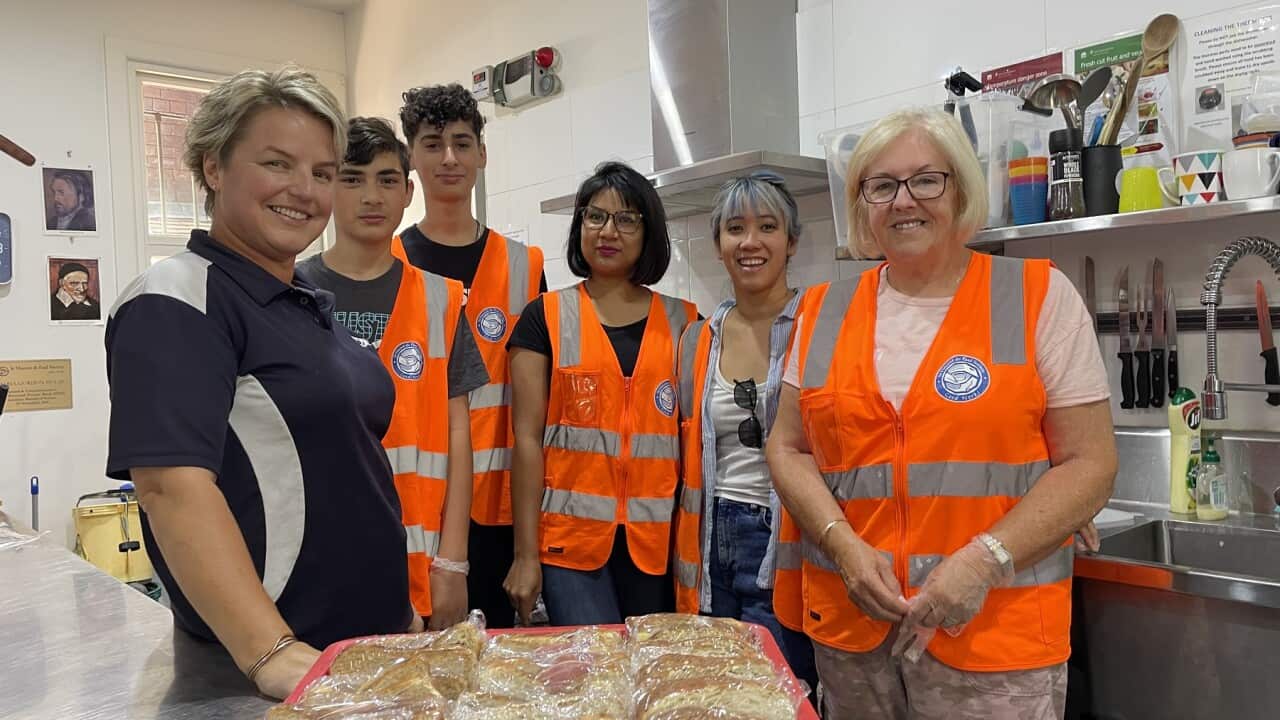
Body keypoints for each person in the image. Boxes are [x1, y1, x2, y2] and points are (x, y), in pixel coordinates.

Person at [765, 107, 1117, 720]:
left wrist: (985, 561)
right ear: (862, 205)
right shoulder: (822, 311)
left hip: (992, 638)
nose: (904, 201)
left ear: (960, 189)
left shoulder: (1036, 295)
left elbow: (1090, 464)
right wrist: (844, 548)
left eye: (926, 180)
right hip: (855, 635)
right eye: (881, 185)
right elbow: (787, 447)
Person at [105, 67, 415, 701]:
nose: (304, 190)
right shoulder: (177, 299)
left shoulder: (304, 302)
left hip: (367, 649)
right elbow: (170, 488)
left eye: (323, 173)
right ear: (213, 166)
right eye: (277, 163)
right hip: (274, 667)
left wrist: (398, 613)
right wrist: (270, 652)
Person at [296, 116, 489, 629]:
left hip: (419, 556)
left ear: (408, 192)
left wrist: (453, 560)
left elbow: (458, 433)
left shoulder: (441, 300)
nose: (371, 196)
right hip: (314, 555)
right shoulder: (291, 292)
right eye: (351, 179)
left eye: (386, 180)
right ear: (327, 187)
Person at [506, 161, 697, 626]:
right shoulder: (544, 317)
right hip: (569, 549)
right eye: (595, 216)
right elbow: (526, 441)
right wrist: (525, 555)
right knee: (591, 667)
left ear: (648, 233)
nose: (608, 231)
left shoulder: (686, 324)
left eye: (626, 219)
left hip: (658, 547)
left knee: (653, 668)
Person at [397, 84, 545, 629]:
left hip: (504, 511)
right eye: (432, 144)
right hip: (417, 508)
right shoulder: (388, 262)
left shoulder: (524, 265)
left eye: (462, 143)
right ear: (412, 157)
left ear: (482, 154)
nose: (449, 158)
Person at [672, 172, 816, 689]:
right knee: (713, 691)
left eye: (767, 227)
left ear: (791, 241)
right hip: (708, 543)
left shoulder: (821, 326)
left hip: (788, 542)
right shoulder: (696, 340)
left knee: (777, 690)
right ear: (718, 245)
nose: (750, 241)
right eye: (735, 228)